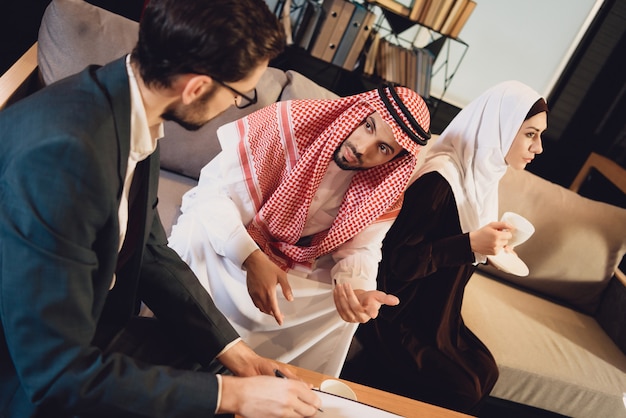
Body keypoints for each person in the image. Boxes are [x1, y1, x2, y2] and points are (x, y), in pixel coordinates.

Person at [0, 0, 325, 416]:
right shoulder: (65, 157)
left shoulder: (131, 107)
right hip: (28, 375)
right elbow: (54, 374)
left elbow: (148, 247)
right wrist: (231, 396)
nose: (233, 108)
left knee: (220, 372)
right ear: (196, 87)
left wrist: (236, 354)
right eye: (241, 95)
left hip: (88, 327)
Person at [167, 85, 432, 377]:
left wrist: (358, 289)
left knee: (341, 307)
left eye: (383, 148)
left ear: (394, 160)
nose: (362, 148)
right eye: (368, 126)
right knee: (194, 238)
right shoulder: (286, 125)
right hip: (231, 232)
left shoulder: (382, 187)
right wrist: (251, 258)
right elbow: (214, 196)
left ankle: (281, 388)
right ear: (357, 112)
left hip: (289, 256)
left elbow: (361, 248)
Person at [341, 80, 548, 414]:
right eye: (530, 134)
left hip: (437, 313)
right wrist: (468, 245)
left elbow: (460, 241)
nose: (538, 148)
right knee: (462, 388)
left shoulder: (482, 177)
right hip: (399, 313)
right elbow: (395, 263)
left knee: (485, 370)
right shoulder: (440, 180)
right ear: (501, 125)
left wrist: (488, 249)